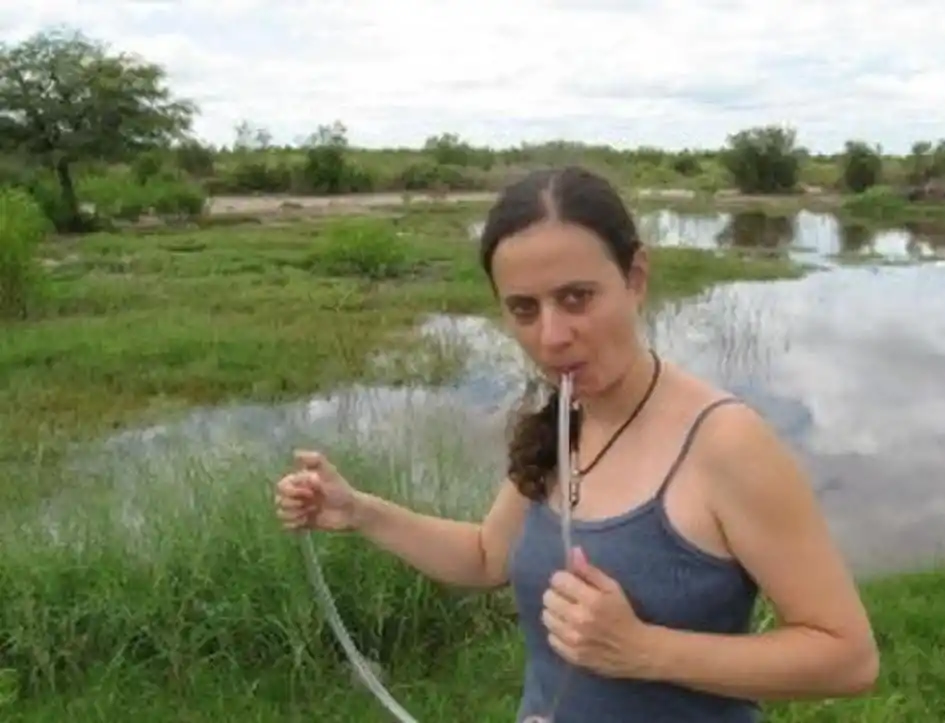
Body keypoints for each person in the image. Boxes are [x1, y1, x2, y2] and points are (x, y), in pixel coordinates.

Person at [274, 165, 879, 722]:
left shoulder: (726, 444)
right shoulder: (561, 422)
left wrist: (644, 651)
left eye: (576, 297)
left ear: (635, 277)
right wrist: (359, 511)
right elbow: (488, 557)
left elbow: (847, 657)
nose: (553, 336)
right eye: (524, 309)